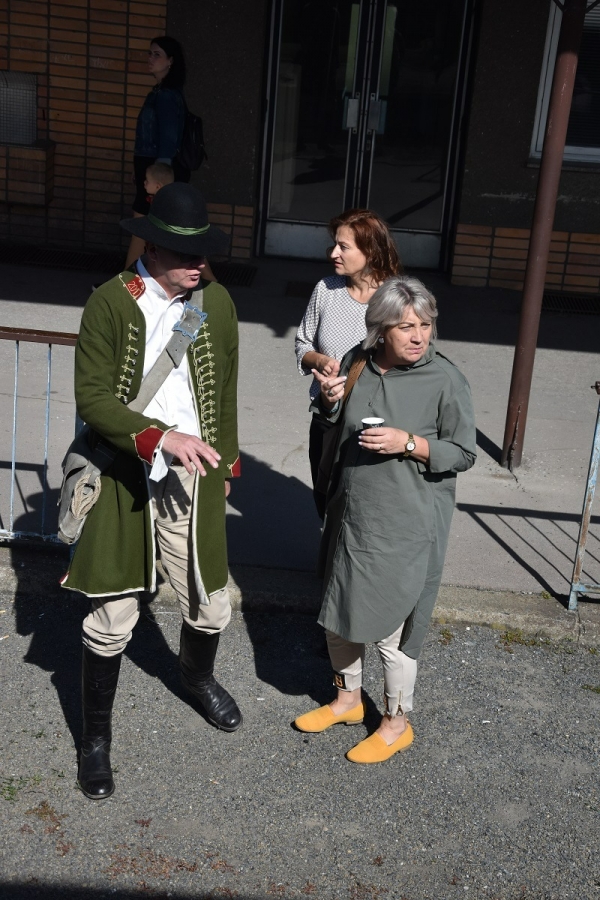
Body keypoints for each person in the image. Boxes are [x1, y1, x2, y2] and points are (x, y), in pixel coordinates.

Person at [62, 183, 242, 800]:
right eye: (187, 255)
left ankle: (196, 679)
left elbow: (226, 389)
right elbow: (93, 400)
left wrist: (228, 462)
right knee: (112, 614)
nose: (201, 266)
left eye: (204, 254)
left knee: (211, 600)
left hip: (196, 473)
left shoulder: (214, 302)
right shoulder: (110, 303)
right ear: (155, 248)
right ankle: (94, 740)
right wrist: (158, 439)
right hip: (123, 474)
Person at [294, 276, 476, 764]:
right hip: (351, 513)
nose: (418, 336)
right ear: (380, 331)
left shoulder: (446, 379)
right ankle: (349, 701)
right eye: (406, 326)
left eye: (426, 324)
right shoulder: (358, 360)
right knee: (338, 615)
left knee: (392, 634)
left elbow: (463, 453)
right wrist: (330, 401)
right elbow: (333, 420)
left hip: (407, 523)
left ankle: (396, 724)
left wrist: (410, 444)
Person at [295, 208, 402, 519]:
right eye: (334, 244)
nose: (333, 253)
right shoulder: (326, 290)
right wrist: (321, 360)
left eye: (344, 247)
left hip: (375, 422)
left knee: (363, 508)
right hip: (328, 416)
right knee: (326, 501)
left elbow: (412, 360)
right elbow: (303, 343)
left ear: (370, 251)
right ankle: (329, 563)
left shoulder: (396, 298)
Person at [125, 36, 189, 269]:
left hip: (157, 171)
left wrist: (156, 174)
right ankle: (128, 282)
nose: (150, 59)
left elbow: (168, 137)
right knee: (150, 227)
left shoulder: (167, 95)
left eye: (157, 54)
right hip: (151, 169)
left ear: (170, 61)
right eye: (150, 53)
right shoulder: (161, 91)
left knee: (141, 225)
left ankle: (125, 283)